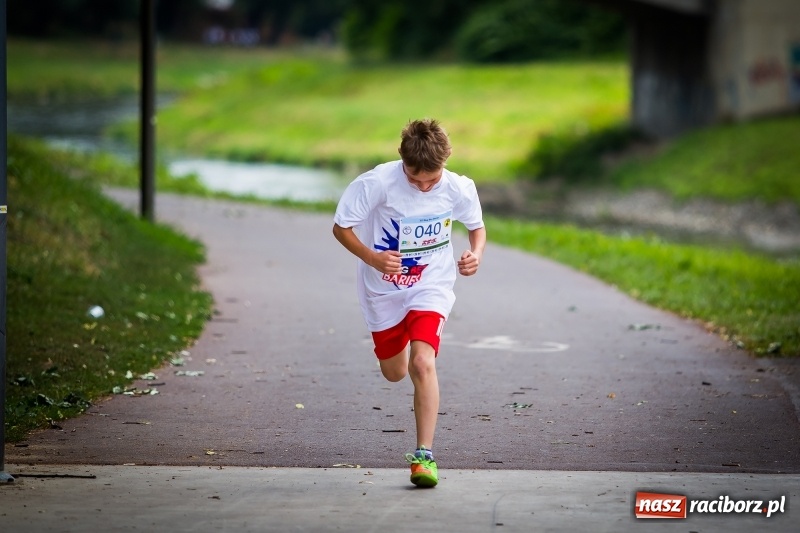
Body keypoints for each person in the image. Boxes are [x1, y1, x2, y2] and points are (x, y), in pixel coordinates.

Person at [332, 118, 486, 487]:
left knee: (422, 363)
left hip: (431, 285)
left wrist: (475, 254)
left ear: (444, 162)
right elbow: (341, 227)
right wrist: (372, 257)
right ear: (403, 161)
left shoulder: (458, 187)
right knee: (395, 372)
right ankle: (400, 337)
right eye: (415, 179)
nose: (423, 187)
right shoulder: (376, 183)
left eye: (431, 180)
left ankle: (424, 457)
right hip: (383, 289)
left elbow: (476, 227)